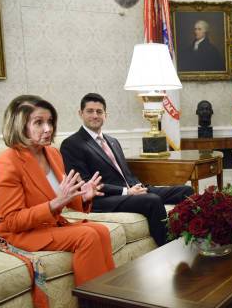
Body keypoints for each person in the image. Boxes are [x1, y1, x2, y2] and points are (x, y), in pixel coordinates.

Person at [0, 95, 127, 308]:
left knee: (100, 230)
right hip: (19, 233)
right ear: (19, 125)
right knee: (87, 236)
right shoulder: (6, 163)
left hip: (49, 225)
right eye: (38, 122)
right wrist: (55, 204)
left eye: (50, 121)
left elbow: (66, 198)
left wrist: (83, 196)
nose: (48, 129)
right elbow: (12, 219)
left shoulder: (52, 153)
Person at [60, 93, 193, 247]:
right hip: (101, 199)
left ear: (105, 115)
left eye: (99, 111)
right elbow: (84, 184)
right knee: (152, 200)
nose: (95, 115)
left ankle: (190, 239)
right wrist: (126, 191)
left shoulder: (112, 141)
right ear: (80, 113)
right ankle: (169, 247)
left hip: (131, 191)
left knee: (186, 191)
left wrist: (138, 187)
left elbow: (126, 174)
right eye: (90, 111)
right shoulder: (72, 144)